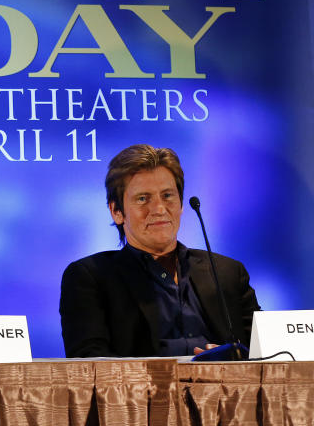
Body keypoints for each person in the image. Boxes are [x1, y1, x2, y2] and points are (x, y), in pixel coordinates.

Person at [59, 144, 260, 358]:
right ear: (117, 212)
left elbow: (268, 351)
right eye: (143, 198)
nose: (159, 209)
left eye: (167, 196)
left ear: (181, 205)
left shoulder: (227, 272)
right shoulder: (90, 278)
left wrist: (230, 356)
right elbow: (89, 366)